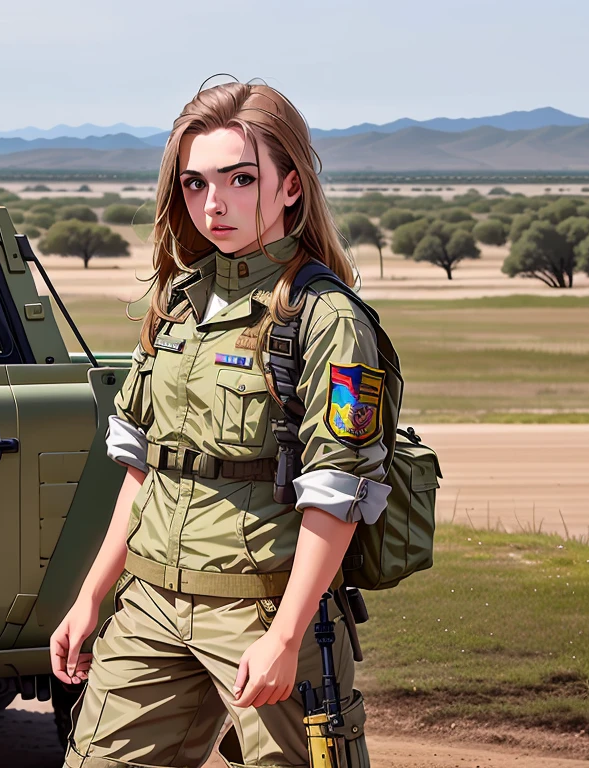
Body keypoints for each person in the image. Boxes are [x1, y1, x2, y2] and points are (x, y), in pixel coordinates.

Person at [50, 79, 398, 768]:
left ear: (292, 186)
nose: (214, 204)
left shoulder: (326, 321)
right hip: (149, 605)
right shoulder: (177, 304)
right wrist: (92, 597)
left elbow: (339, 495)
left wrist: (288, 637)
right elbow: (144, 470)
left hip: (260, 609)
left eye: (241, 179)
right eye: (195, 183)